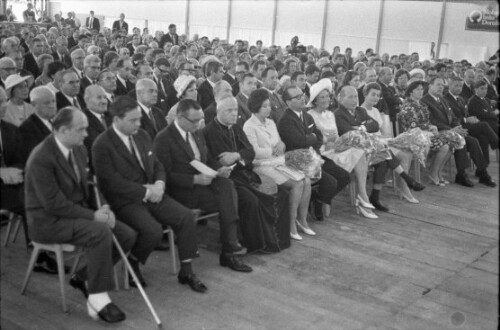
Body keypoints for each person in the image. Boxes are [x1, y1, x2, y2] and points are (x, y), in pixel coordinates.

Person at [25, 107, 137, 323]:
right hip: (48, 221)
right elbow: (53, 204)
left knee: (126, 235)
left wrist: (104, 208)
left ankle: (84, 277)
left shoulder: (78, 148)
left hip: (75, 214)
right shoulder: (41, 158)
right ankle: (98, 297)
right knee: (99, 231)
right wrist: (93, 216)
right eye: (81, 129)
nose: (86, 134)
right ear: (64, 130)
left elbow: (90, 184)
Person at [92, 96, 207, 293]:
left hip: (153, 193)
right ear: (117, 120)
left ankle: (186, 271)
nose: (139, 123)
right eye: (133, 120)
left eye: (139, 119)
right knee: (152, 231)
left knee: (186, 216)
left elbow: (157, 165)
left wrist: (160, 183)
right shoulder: (102, 145)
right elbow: (111, 183)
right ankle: (133, 262)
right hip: (125, 201)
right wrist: (146, 191)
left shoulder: (142, 135)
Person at [153, 99, 252, 272]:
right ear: (180, 117)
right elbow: (164, 175)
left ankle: (230, 247)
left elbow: (205, 159)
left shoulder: (197, 132)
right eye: (194, 120)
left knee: (227, 185)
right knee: (228, 200)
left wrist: (218, 169)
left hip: (204, 182)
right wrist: (194, 180)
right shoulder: (164, 138)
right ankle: (229, 250)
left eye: (201, 119)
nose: (199, 124)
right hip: (182, 189)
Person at [203, 96, 288, 253]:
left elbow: (250, 151)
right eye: (230, 110)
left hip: (243, 173)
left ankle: (278, 238)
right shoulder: (209, 131)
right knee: (251, 200)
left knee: (281, 191)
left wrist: (236, 156)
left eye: (236, 110)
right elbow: (214, 160)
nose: (234, 113)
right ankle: (253, 243)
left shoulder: (235, 128)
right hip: (227, 178)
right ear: (219, 111)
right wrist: (230, 162)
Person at [335, 86, 424, 212]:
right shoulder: (338, 114)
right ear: (340, 98)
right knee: (383, 150)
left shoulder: (360, 110)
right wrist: (364, 126)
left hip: (367, 147)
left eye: (355, 96)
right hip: (352, 151)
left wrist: (361, 128)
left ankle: (375, 196)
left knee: (383, 160)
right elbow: (348, 132)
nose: (354, 100)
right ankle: (406, 178)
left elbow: (374, 125)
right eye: (350, 97)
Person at [244, 89, 314, 239]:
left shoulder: (270, 122)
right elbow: (254, 151)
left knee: (306, 180)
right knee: (297, 184)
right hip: (262, 165)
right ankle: (291, 223)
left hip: (277, 161)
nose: (269, 108)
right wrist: (272, 150)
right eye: (264, 106)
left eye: (269, 105)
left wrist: (280, 146)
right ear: (256, 107)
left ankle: (302, 219)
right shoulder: (249, 126)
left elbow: (280, 142)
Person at [307, 79, 377, 218]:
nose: (326, 99)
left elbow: (338, 137)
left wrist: (337, 142)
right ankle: (323, 199)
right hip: (319, 153)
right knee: (345, 173)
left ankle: (362, 195)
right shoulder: (310, 115)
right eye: (322, 97)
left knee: (359, 152)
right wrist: (327, 140)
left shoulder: (330, 114)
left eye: (327, 96)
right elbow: (313, 139)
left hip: (334, 149)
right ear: (315, 100)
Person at [278, 86, 350, 220]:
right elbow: (300, 142)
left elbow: (319, 137)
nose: (302, 99)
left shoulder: (306, 115)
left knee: (344, 176)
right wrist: (312, 138)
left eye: (302, 95)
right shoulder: (286, 120)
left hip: (315, 155)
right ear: (288, 102)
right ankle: (318, 202)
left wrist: (312, 139)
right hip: (298, 161)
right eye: (297, 97)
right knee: (330, 182)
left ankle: (318, 198)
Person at [421, 78, 496, 188]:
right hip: (438, 132)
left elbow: (453, 117)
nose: (441, 87)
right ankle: (461, 175)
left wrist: (457, 127)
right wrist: (452, 129)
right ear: (430, 86)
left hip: (452, 130)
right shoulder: (424, 101)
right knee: (461, 140)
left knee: (473, 140)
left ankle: (483, 174)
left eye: (442, 85)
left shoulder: (441, 99)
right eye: (438, 85)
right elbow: (432, 121)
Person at [361, 83, 424, 204]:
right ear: (365, 94)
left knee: (407, 153)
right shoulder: (360, 111)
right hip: (370, 144)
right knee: (397, 154)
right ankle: (407, 185)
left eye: (378, 95)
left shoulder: (375, 110)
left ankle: (404, 186)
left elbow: (382, 131)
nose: (375, 98)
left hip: (382, 141)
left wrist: (391, 140)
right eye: (372, 94)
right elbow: (365, 134)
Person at [444, 76, 498, 167]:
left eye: (460, 86)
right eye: (456, 85)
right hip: (457, 127)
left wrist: (471, 118)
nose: (459, 88)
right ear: (449, 85)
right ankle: (496, 143)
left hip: (467, 125)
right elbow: (449, 118)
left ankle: (483, 168)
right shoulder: (445, 99)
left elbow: (466, 114)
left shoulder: (460, 98)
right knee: (484, 125)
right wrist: (466, 119)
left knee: (483, 137)